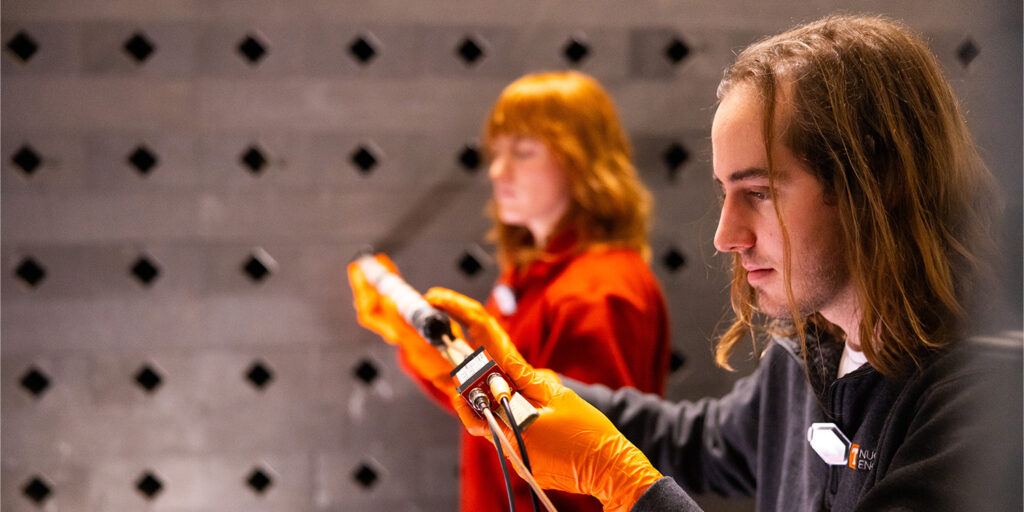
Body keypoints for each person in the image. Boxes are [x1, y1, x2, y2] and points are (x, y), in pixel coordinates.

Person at [424, 14, 1022, 512]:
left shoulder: (986, 408)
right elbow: (701, 441)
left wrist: (630, 490)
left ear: (877, 181)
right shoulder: (813, 352)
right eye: (723, 193)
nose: (724, 236)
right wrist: (513, 374)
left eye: (758, 193)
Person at [348, 71, 671, 511]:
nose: (499, 170)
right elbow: (500, 417)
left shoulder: (598, 291)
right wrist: (423, 347)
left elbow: (584, 485)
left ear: (582, 160)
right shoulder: (531, 277)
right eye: (497, 153)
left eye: (524, 151)